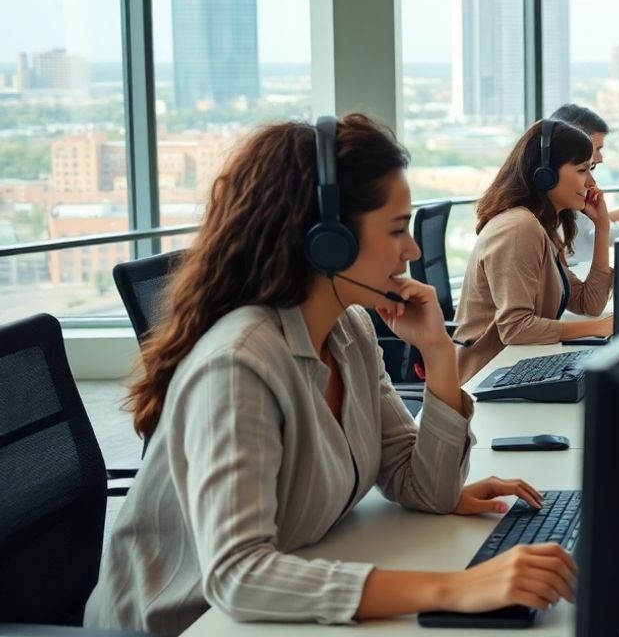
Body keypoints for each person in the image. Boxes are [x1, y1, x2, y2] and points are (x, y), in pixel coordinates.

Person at [86, 115, 574, 635]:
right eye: (396, 229)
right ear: (328, 242)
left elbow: (423, 486)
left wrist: (437, 351)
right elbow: (237, 574)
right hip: (183, 624)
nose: (411, 251)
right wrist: (455, 588)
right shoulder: (239, 363)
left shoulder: (350, 331)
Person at [452, 119, 614, 383]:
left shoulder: (541, 227)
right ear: (545, 174)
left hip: (513, 368)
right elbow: (515, 328)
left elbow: (589, 303)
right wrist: (597, 328)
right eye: (583, 170)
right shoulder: (518, 228)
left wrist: (602, 227)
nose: (592, 182)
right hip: (481, 380)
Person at [548, 103, 619, 266]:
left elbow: (585, 230)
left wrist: (606, 219)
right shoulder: (563, 194)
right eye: (597, 148)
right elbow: (587, 236)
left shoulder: (571, 189)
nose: (600, 158)